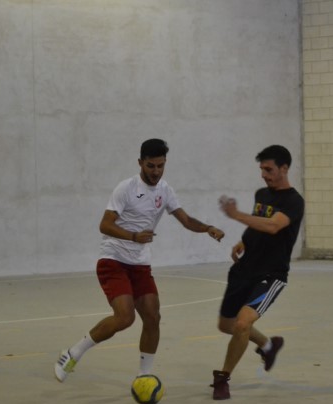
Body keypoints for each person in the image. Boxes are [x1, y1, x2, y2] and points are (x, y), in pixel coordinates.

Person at [54, 138, 225, 383]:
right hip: (113, 260)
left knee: (153, 317)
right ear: (140, 163)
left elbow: (186, 220)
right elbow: (105, 225)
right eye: (150, 166)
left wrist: (208, 228)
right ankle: (72, 353)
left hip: (140, 264)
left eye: (160, 166)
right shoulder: (126, 188)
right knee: (125, 318)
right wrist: (134, 236)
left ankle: (144, 375)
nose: (156, 171)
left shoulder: (165, 190)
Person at [211, 145, 305, 400]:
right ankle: (268, 345)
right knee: (226, 325)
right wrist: (244, 241)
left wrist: (236, 215)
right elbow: (258, 223)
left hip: (270, 275)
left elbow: (273, 226)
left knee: (242, 324)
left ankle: (222, 378)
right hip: (244, 269)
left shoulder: (294, 201)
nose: (264, 174)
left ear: (284, 168)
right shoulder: (262, 193)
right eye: (262, 169)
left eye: (269, 169)